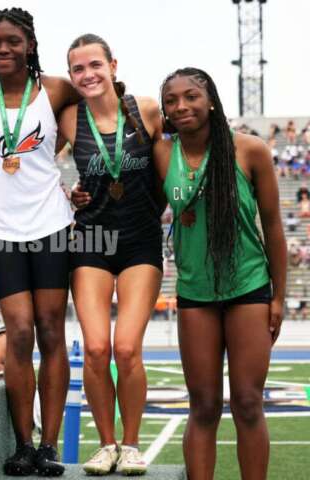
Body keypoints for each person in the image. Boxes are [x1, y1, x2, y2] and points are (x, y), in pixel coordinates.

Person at [154, 67, 286, 480]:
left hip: (248, 288)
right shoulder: (162, 154)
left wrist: (278, 296)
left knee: (247, 401)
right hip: (195, 293)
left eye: (191, 96)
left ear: (210, 99)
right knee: (204, 405)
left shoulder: (250, 150)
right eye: (171, 100)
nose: (181, 105)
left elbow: (274, 225)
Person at [0, 8, 79, 477]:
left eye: (13, 41)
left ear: (30, 44)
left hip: (52, 224)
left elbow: (102, 99)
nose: (3, 49)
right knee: (18, 332)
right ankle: (21, 442)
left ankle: (49, 445)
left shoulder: (55, 90)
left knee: (51, 330)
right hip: (2, 229)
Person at [61, 34, 163, 475]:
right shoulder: (68, 118)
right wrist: (67, 193)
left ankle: (133, 443)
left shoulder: (146, 109)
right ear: (71, 77)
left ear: (113, 65)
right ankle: (106, 445)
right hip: (91, 241)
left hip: (141, 241)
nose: (88, 75)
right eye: (79, 69)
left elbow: (178, 156)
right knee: (98, 348)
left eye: (95, 65)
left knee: (126, 348)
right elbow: (35, 166)